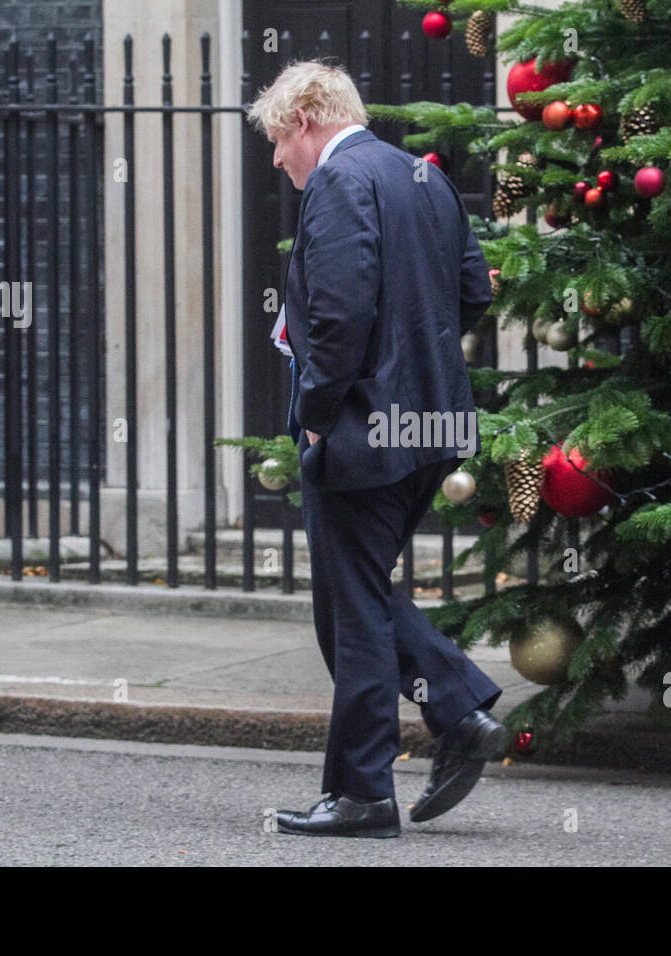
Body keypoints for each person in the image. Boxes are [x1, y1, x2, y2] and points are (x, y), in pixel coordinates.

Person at [246, 61, 506, 838]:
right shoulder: (421, 177)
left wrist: (322, 415)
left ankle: (365, 789)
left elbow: (338, 311)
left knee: (351, 611)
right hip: (429, 429)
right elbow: (472, 291)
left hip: (364, 429)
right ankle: (457, 714)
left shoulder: (339, 181)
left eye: (274, 140)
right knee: (357, 596)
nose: (276, 160)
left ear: (303, 120)